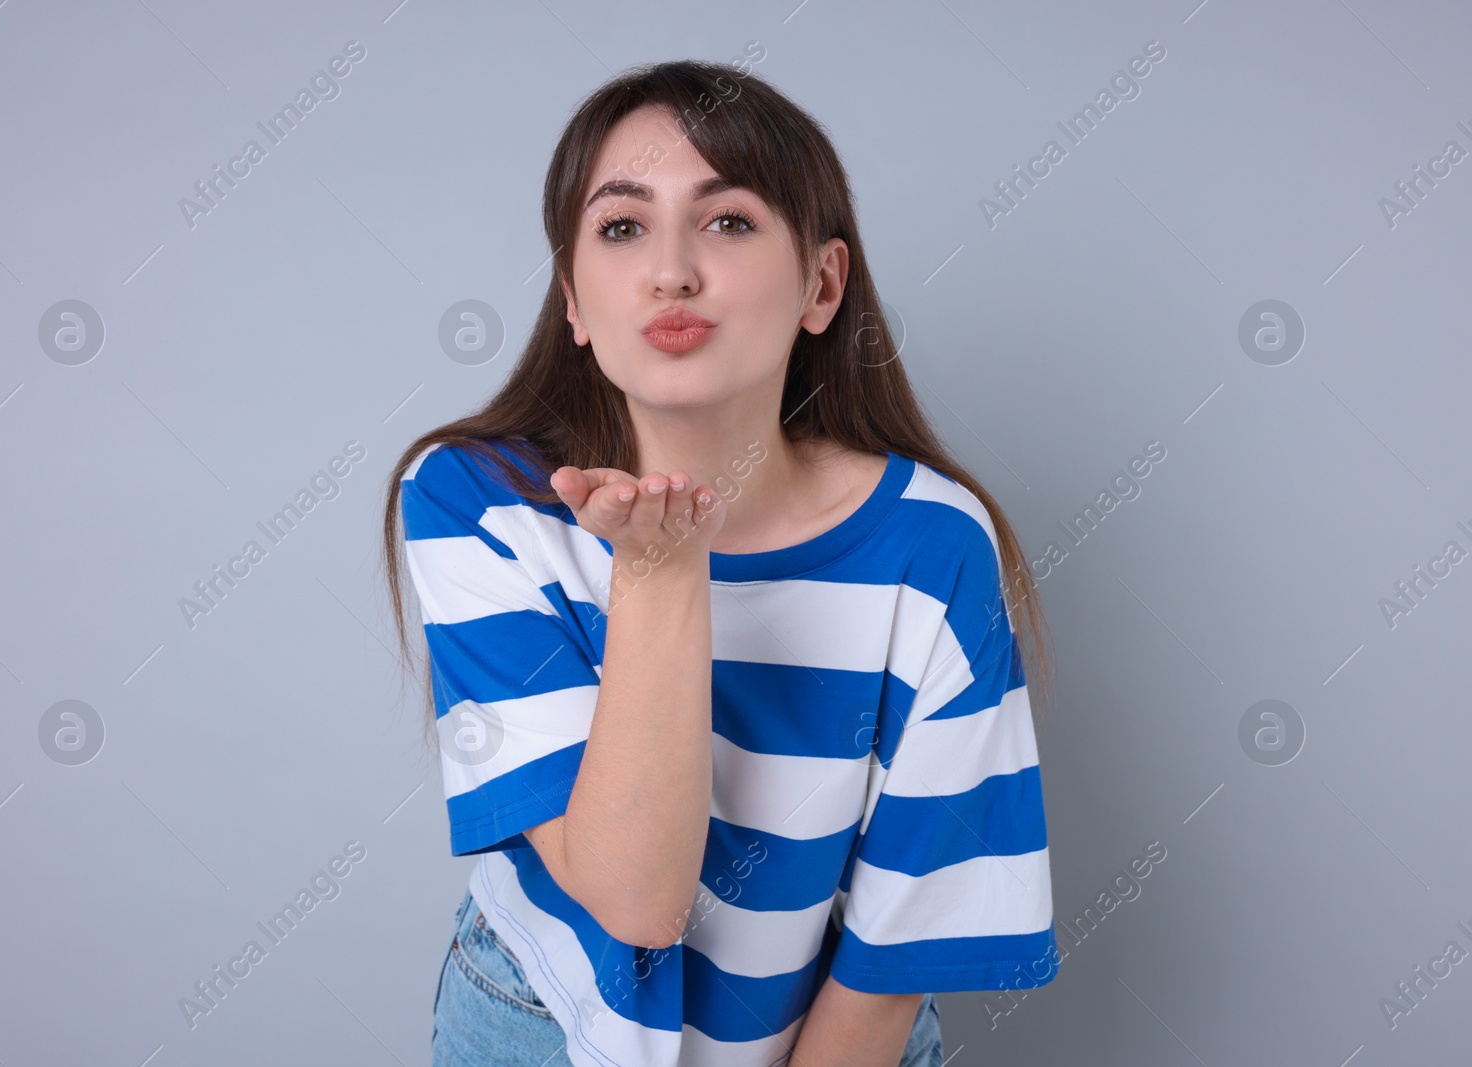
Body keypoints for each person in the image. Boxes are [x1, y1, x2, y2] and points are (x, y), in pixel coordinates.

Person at [381, 57, 1060, 1067]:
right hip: (549, 1023)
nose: (670, 271)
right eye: (621, 226)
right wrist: (657, 574)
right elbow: (635, 900)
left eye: (728, 220)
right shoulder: (475, 501)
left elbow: (898, 948)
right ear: (573, 298)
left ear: (820, 284)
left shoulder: (932, 543)